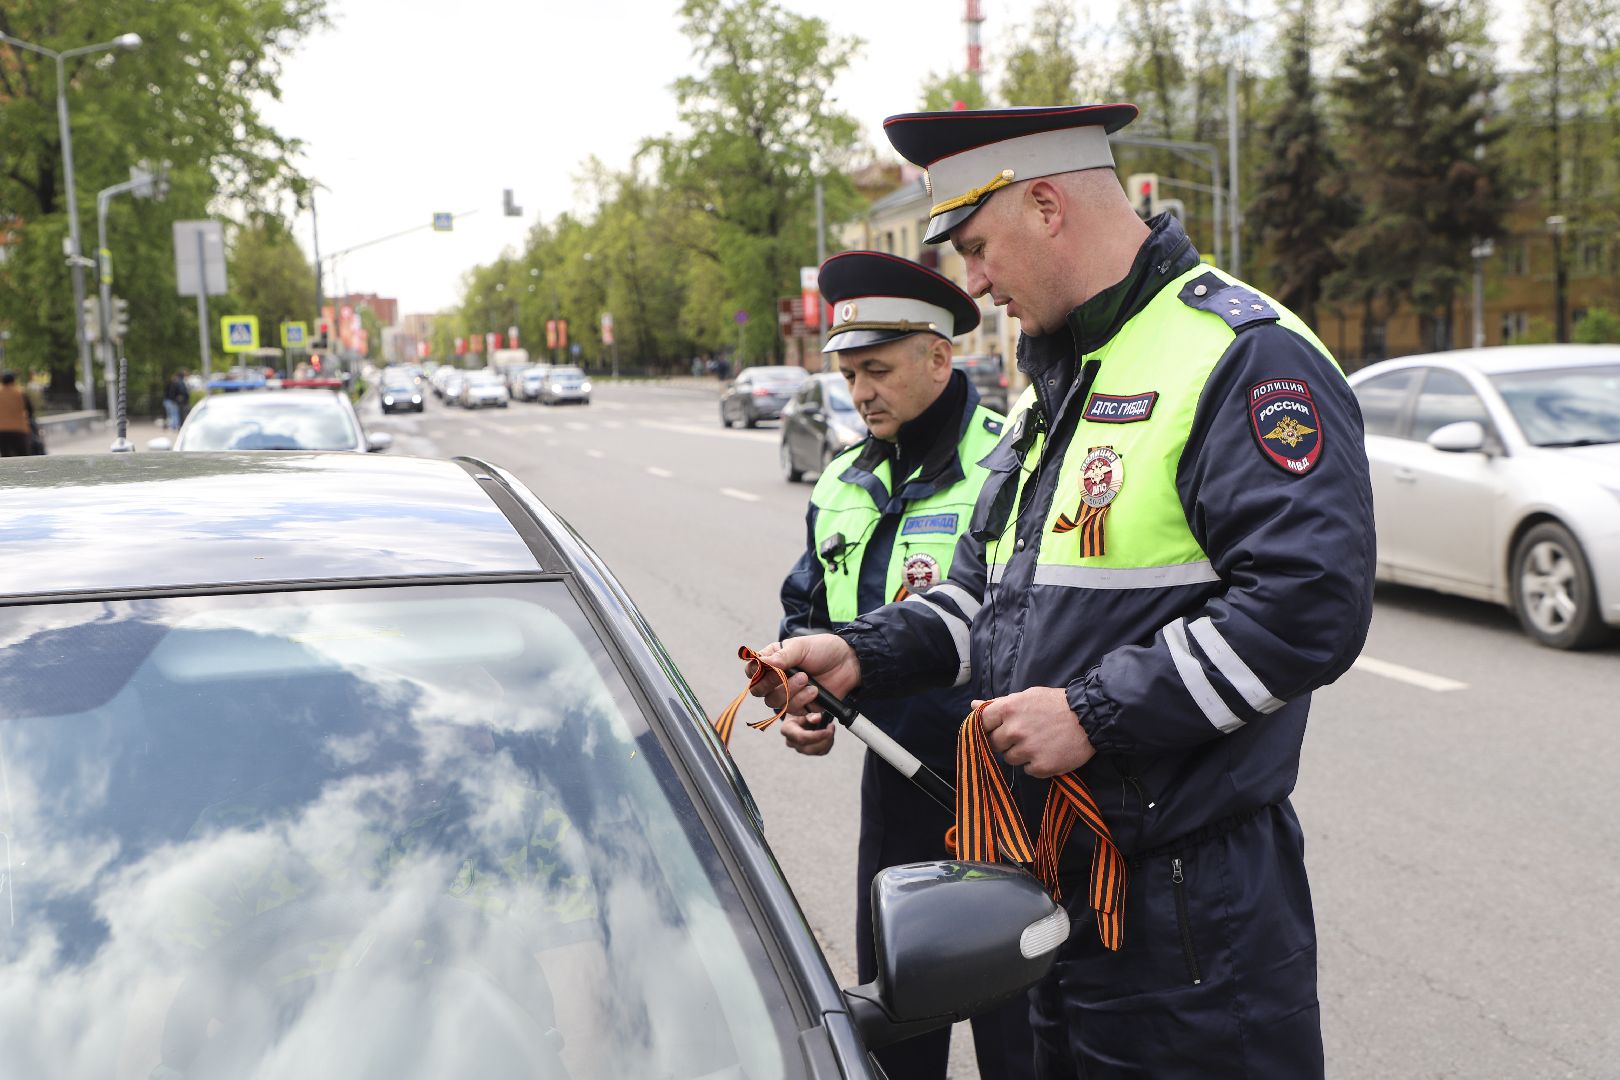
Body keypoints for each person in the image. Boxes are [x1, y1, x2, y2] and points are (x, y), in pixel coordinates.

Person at [753, 104, 1376, 1079]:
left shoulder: (1242, 354)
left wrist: (1093, 712)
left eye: (977, 246)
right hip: (1053, 882)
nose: (974, 283)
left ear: (1046, 205)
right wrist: (861, 654)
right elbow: (981, 599)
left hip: (1188, 910)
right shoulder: (1057, 384)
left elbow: (1308, 606)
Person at [777, 250, 1032, 1080]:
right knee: (900, 1031)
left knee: (1017, 1034)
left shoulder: (1012, 463)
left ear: (938, 355)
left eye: (877, 370)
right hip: (895, 792)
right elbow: (808, 611)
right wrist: (801, 699)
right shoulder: (844, 480)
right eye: (849, 375)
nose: (860, 394)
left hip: (1007, 793)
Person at [0, 371, 35, 457]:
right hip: (19, 430)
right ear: (13, 381)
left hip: (2, 430)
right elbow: (30, 410)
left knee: (6, 457)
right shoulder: (20, 393)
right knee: (23, 456)